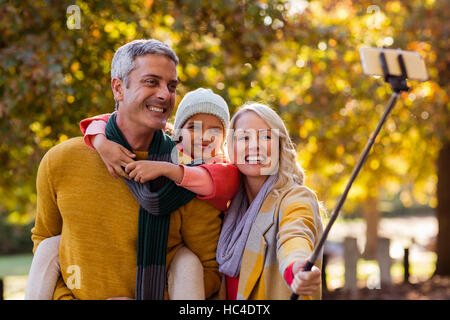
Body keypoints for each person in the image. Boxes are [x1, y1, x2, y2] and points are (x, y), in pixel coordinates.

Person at [27, 39, 222, 300]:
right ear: (118, 88)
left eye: (171, 85)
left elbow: (208, 270)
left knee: (187, 261)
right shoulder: (62, 160)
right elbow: (45, 243)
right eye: (151, 82)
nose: (165, 94)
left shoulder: (188, 177)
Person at [216, 102, 324, 300]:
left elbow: (295, 233)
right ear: (231, 148)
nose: (254, 145)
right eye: (244, 137)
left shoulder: (295, 197)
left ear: (280, 146)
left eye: (265, 136)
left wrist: (297, 265)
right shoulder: (228, 207)